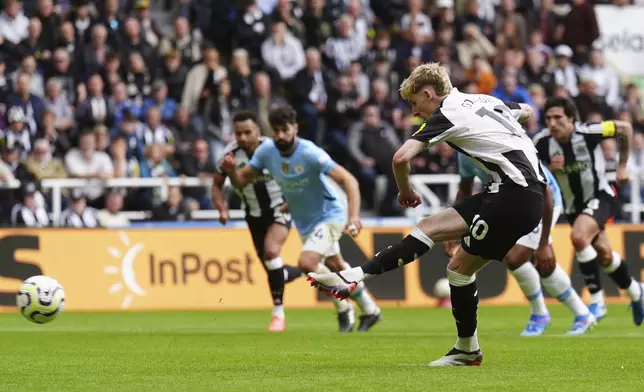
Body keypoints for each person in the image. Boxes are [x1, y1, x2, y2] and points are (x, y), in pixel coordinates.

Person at [307, 62, 545, 366]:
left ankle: (467, 350)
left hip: (513, 194)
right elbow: (526, 109)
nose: (415, 112)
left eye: (415, 103)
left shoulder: (447, 113)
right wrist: (515, 120)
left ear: (430, 94)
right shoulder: (489, 100)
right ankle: (354, 277)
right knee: (430, 228)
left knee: (459, 270)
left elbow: (400, 157)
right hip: (516, 191)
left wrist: (405, 191)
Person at [221, 106, 382, 333]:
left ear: (295, 128)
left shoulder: (310, 153)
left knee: (307, 263)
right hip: (305, 219)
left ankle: (342, 305)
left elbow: (349, 180)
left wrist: (354, 216)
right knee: (336, 265)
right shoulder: (266, 152)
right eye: (276, 130)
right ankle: (370, 308)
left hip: (330, 214)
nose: (280, 136)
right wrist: (230, 172)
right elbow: (241, 182)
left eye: (285, 130)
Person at [448, 153, 595, 335]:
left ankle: (540, 313)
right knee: (542, 266)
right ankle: (582, 314)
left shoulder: (497, 141)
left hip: (541, 197)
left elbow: (546, 191)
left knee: (515, 257)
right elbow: (465, 191)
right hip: (513, 202)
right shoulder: (464, 153)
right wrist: (453, 228)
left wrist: (543, 243)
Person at [534, 97, 644, 325]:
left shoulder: (589, 132)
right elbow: (536, 175)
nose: (553, 123)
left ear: (572, 119)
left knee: (578, 236)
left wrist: (622, 165)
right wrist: (549, 169)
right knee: (605, 255)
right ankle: (636, 292)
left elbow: (624, 127)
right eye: (548, 119)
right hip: (574, 207)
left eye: (558, 118)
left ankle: (596, 301)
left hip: (600, 196)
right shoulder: (542, 143)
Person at [213, 110, 304, 332]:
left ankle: (278, 315)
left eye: (247, 132)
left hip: (279, 208)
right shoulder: (230, 154)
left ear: (258, 131)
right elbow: (216, 185)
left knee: (271, 252)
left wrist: (295, 198)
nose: (242, 138)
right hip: (252, 214)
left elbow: (300, 172)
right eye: (238, 134)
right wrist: (222, 208)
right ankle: (302, 270)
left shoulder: (274, 149)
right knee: (273, 269)